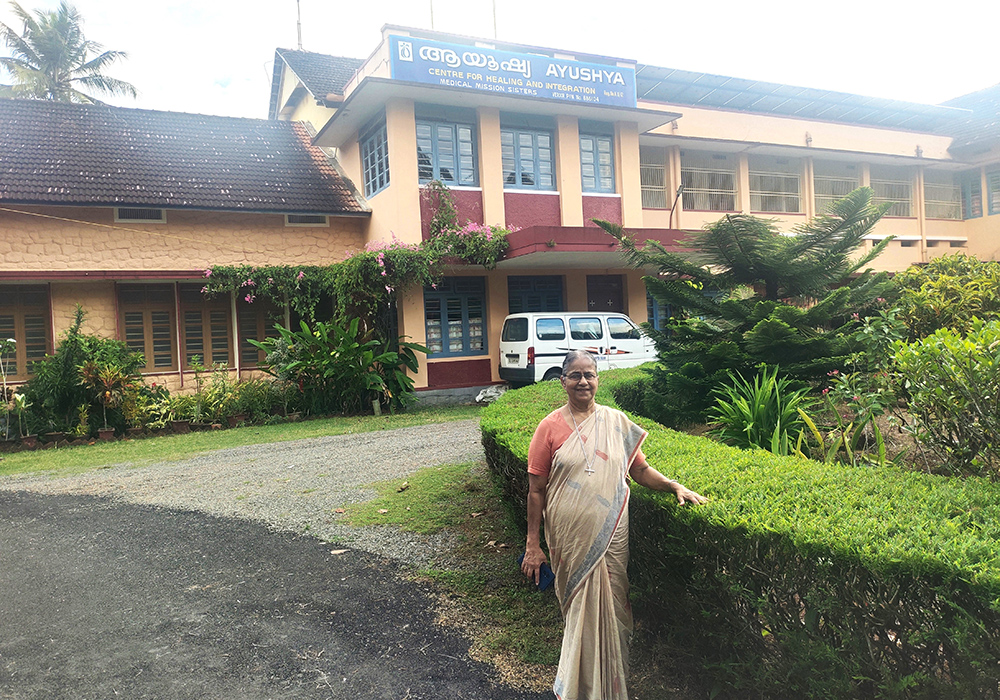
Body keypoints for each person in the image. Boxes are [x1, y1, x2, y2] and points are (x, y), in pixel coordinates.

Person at [521, 350, 707, 700]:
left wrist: (674, 486)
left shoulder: (616, 422)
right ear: (563, 382)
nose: (582, 382)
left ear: (597, 380)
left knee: (614, 601)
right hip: (569, 539)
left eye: (589, 374)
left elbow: (639, 471)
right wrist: (533, 544)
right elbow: (535, 490)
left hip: (612, 535)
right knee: (580, 608)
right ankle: (577, 687)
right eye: (574, 375)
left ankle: (612, 686)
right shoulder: (549, 427)